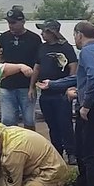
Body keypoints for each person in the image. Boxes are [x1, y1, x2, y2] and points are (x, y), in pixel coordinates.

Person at [39, 22, 94, 186]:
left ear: (79, 35)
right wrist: (53, 84)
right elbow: (81, 79)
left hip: (91, 109)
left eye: (75, 36)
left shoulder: (87, 52)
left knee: (89, 157)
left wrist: (86, 104)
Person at [30, 20, 77, 161]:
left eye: (44, 31)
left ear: (52, 32)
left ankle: (71, 153)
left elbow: (73, 67)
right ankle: (57, 152)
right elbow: (37, 67)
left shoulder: (66, 47)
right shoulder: (42, 48)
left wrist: (70, 86)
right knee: (52, 125)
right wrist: (31, 86)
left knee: (65, 124)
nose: (42, 34)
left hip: (61, 93)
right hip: (45, 93)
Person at [0, 5, 43, 129]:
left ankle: (30, 146)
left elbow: (38, 64)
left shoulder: (34, 39)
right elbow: (0, 59)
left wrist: (32, 86)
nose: (10, 25)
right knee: (7, 120)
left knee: (29, 120)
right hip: (7, 85)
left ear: (23, 22)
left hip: (26, 86)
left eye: (13, 22)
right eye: (8, 22)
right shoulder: (4, 37)